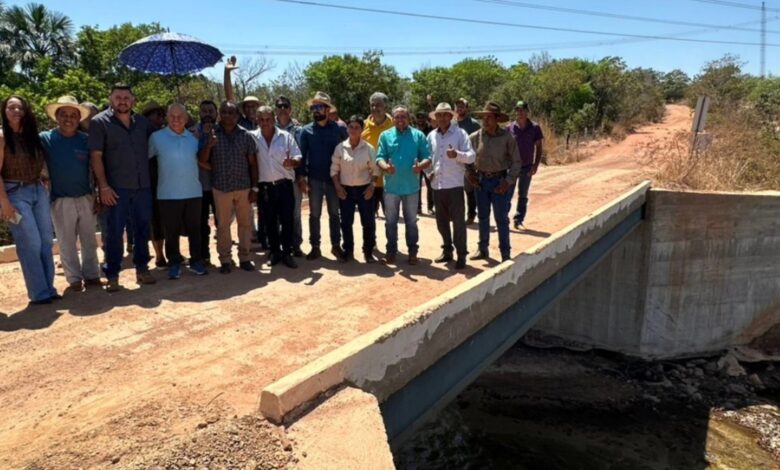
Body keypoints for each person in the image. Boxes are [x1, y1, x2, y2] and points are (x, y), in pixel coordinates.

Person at [89, 84, 156, 292]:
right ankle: (112, 274)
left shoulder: (143, 123)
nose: (123, 101)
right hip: (116, 188)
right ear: (111, 99)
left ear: (133, 100)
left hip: (142, 186)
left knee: (142, 229)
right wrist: (103, 187)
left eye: (126, 97)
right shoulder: (99, 122)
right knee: (114, 232)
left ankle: (142, 269)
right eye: (118, 97)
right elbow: (95, 156)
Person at [0, 95, 58, 304]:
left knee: (45, 241)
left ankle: (48, 288)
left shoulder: (31, 136)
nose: (16, 111)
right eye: (11, 107)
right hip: (14, 192)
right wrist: (4, 203)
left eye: (20, 108)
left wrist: (45, 181)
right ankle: (38, 292)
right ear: (4, 111)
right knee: (30, 243)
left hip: (37, 190)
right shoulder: (2, 137)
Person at [40, 96, 101, 293]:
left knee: (89, 240)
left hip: (86, 196)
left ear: (79, 118)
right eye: (64, 114)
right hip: (60, 199)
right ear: (57, 117)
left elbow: (94, 169)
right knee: (66, 242)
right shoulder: (45, 139)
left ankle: (92, 275)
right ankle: (74, 279)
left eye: (73, 115)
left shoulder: (85, 140)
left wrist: (97, 195)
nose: (69, 119)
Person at [198, 101, 258, 274]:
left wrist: (255, 188)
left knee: (245, 224)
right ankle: (225, 259)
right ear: (220, 114)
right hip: (221, 187)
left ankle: (245, 257)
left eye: (231, 112)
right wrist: (209, 145)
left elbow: (253, 164)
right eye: (224, 112)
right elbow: (202, 160)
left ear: (237, 116)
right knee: (223, 226)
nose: (227, 115)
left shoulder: (246, 135)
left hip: (243, 187)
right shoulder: (212, 134)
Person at [149, 104, 207, 280]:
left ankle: (196, 261)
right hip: (167, 193)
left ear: (186, 118)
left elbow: (202, 160)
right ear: (167, 118)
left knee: (195, 230)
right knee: (171, 232)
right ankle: (174, 264)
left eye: (180, 116)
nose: (176, 120)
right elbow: (146, 160)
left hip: (193, 192)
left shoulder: (193, 139)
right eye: (172, 116)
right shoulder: (156, 138)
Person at [375, 105, 431, 265]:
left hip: (411, 187)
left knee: (411, 222)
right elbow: (379, 157)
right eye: (397, 117)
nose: (400, 120)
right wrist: (386, 167)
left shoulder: (418, 136)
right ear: (393, 119)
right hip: (391, 188)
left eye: (403, 117)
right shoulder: (385, 136)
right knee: (390, 222)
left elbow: (427, 157)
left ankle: (413, 252)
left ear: (409, 118)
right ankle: (391, 252)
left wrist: (420, 166)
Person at [467, 102, 521, 262]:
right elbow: (467, 158)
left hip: (499, 181)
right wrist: (470, 173)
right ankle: (483, 249)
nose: (485, 120)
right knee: (483, 217)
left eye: (489, 117)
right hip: (481, 182)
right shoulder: (475, 137)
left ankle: (505, 253)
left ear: (497, 119)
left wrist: (508, 181)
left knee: (501, 219)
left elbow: (517, 162)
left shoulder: (507, 137)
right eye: (484, 117)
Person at [425, 103, 476, 270]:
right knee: (441, 222)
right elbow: (426, 157)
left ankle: (461, 255)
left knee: (458, 223)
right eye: (438, 115)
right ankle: (447, 250)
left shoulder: (460, 134)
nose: (441, 118)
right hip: (437, 185)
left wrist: (457, 155)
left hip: (454, 185)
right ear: (435, 118)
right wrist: (428, 172)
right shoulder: (431, 136)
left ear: (450, 116)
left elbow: (471, 156)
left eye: (445, 115)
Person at [299, 91, 348, 261]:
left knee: (334, 213)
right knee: (314, 215)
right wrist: (302, 178)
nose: (315, 110)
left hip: (334, 180)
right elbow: (302, 155)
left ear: (328, 109)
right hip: (314, 179)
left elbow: (347, 151)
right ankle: (315, 247)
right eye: (313, 107)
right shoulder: (306, 131)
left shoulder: (339, 129)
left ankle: (336, 246)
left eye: (319, 107)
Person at [252, 105, 301, 269]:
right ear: (257, 120)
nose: (265, 123)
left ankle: (287, 253)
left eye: (268, 119)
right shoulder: (252, 137)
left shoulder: (286, 137)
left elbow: (298, 156)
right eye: (261, 120)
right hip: (265, 188)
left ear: (273, 119)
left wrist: (293, 161)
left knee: (287, 221)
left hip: (284, 186)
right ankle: (274, 252)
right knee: (270, 222)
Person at [331, 115, 380, 263]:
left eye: (357, 127)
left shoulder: (368, 149)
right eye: (350, 127)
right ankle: (348, 251)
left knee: (368, 223)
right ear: (347, 129)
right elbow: (334, 170)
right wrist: (338, 187)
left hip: (365, 190)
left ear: (362, 129)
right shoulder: (340, 148)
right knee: (346, 223)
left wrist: (371, 186)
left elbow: (376, 170)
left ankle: (368, 252)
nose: (353, 130)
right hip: (345, 190)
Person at [189, 100, 219, 266]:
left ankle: (225, 255)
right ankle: (203, 256)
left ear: (216, 113)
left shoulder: (223, 130)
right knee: (201, 223)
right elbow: (192, 157)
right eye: (204, 111)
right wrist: (211, 166)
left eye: (210, 111)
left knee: (222, 222)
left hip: (219, 185)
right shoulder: (191, 133)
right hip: (198, 185)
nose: (207, 114)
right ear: (199, 113)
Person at [274, 95, 305, 258]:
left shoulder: (299, 130)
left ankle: (296, 244)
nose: (282, 109)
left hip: (294, 178)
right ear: (275, 109)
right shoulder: (269, 128)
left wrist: (301, 177)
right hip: (274, 178)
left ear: (290, 109)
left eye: (285, 106)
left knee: (295, 213)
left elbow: (303, 154)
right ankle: (279, 246)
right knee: (277, 214)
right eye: (279, 106)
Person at [507, 100, 544, 230]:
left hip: (527, 166)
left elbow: (539, 147)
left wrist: (535, 165)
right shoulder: (510, 128)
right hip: (512, 167)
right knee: (507, 193)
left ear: (527, 111)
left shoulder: (534, 128)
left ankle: (518, 220)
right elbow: (504, 147)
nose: (520, 113)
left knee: (523, 195)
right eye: (518, 110)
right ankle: (504, 219)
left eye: (522, 110)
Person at [142, 101, 167, 268]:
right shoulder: (144, 133)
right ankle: (159, 255)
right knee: (156, 220)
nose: (161, 117)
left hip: (166, 181)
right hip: (151, 182)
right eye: (157, 114)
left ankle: (171, 252)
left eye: (162, 114)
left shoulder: (164, 133)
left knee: (168, 219)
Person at [362, 92, 393, 218]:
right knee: (368, 218)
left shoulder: (395, 125)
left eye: (378, 105)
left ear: (386, 106)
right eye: (372, 105)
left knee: (391, 219)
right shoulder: (363, 126)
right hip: (368, 181)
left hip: (389, 181)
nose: (375, 108)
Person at [455, 98, 481, 225]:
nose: (459, 108)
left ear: (467, 108)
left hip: (470, 162)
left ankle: (471, 215)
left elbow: (481, 142)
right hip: (455, 161)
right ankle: (457, 215)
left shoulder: (474, 124)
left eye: (462, 106)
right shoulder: (452, 124)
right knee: (456, 190)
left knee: (470, 190)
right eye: (457, 106)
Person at [223, 55, 261, 130]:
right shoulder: (241, 122)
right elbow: (230, 100)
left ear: (258, 108)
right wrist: (227, 73)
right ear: (243, 109)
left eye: (253, 106)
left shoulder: (265, 122)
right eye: (247, 106)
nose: (250, 109)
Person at [415, 111, 435, 215]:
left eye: (422, 118)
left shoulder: (430, 130)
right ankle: (418, 207)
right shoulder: (414, 130)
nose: (420, 120)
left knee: (430, 185)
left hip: (428, 160)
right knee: (417, 185)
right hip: (416, 161)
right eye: (418, 118)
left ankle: (430, 207)